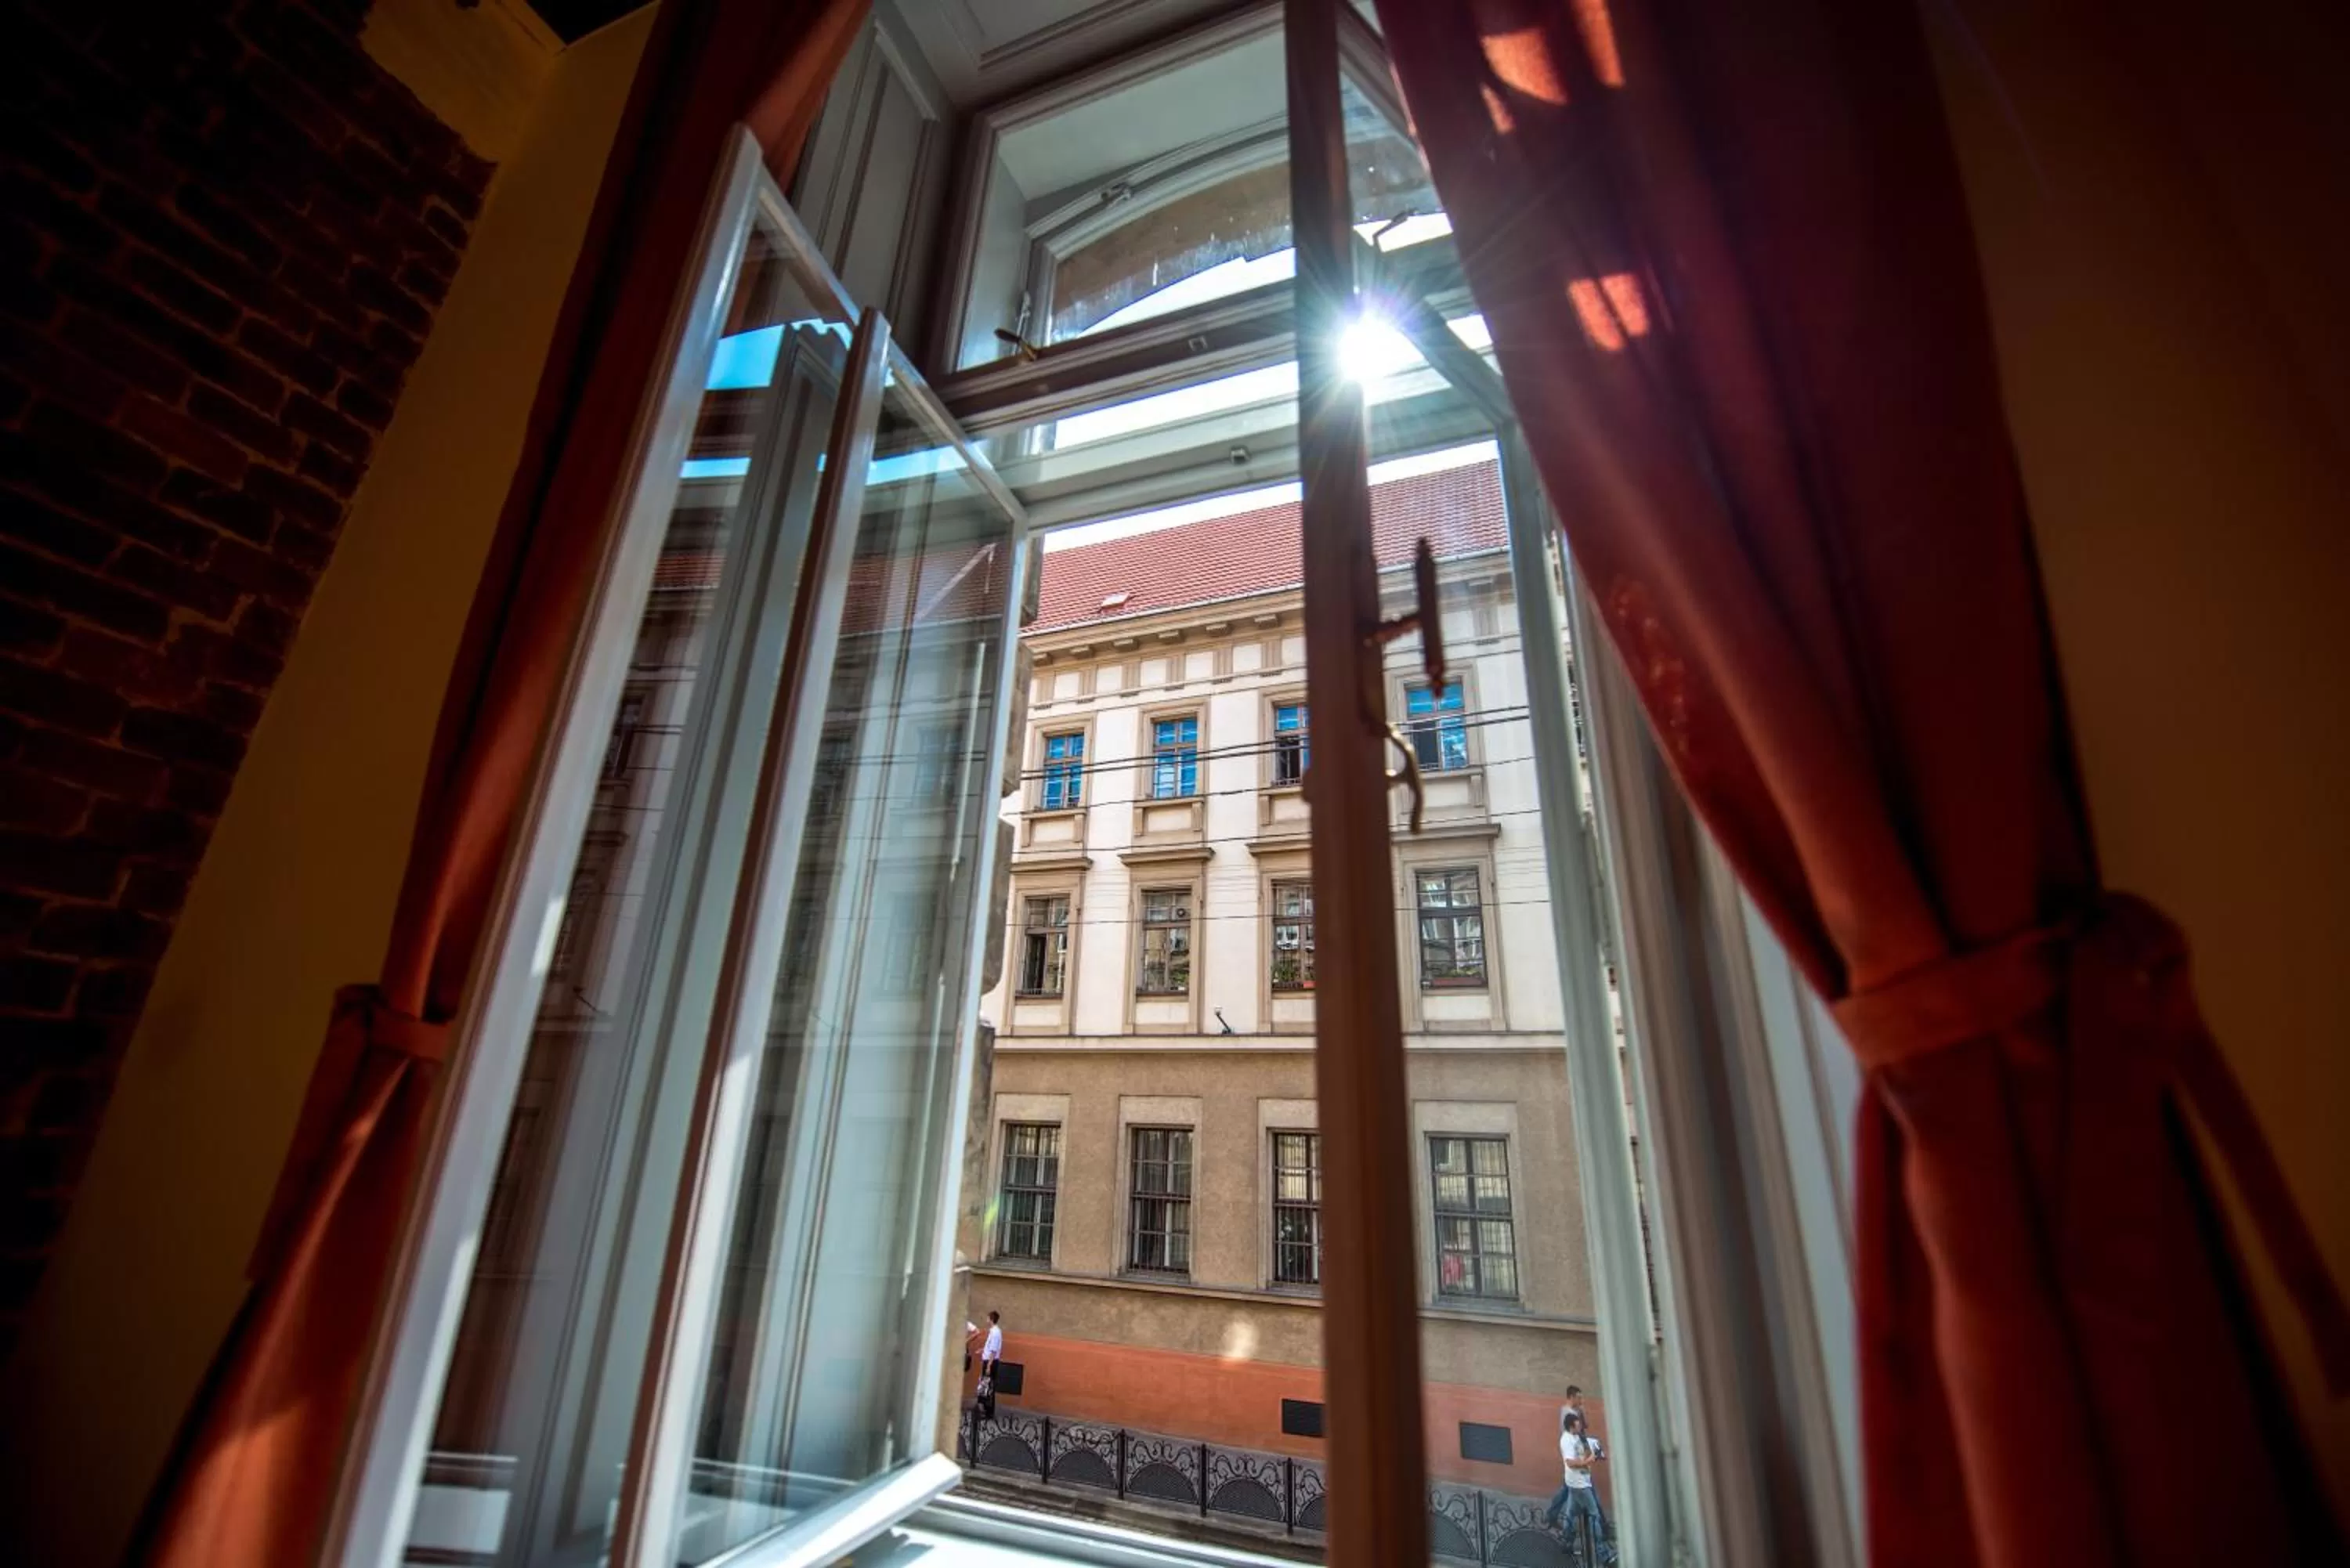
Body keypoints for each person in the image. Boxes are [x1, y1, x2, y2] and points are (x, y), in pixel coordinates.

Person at [1543, 1411, 1612, 1563]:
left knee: (1571, 1513)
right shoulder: (1566, 1440)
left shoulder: (1578, 1436)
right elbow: (1570, 1463)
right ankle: (1603, 1554)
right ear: (1570, 1427)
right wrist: (1588, 1461)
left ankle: (1567, 1542)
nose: (1580, 1425)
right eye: (1577, 1424)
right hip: (1579, 1484)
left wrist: (1595, 1452)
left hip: (1577, 1483)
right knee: (1595, 1516)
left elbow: (1586, 1449)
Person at [976, 1310, 1003, 1419]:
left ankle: (988, 1413)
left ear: (991, 1319)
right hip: (988, 1360)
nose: (986, 1320)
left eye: (988, 1318)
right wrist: (982, 1350)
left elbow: (993, 1351)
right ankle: (985, 1411)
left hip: (991, 1362)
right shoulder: (993, 1331)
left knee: (988, 1387)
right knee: (985, 1386)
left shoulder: (996, 1333)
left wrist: (989, 1366)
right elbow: (990, 1347)